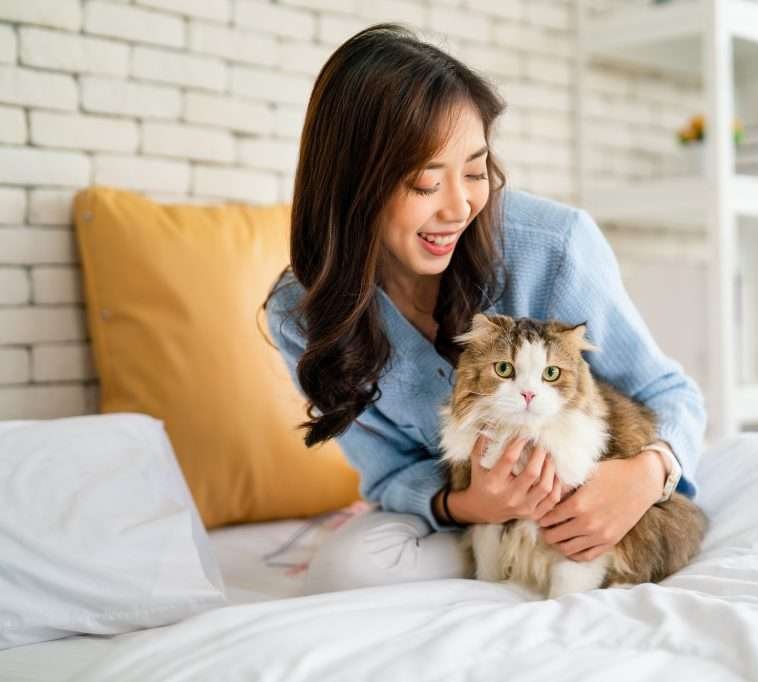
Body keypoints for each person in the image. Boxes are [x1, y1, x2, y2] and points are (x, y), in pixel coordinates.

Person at [262, 23, 707, 594]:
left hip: (596, 494)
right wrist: (465, 503)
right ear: (354, 186)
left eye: (475, 172)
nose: (459, 206)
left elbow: (670, 395)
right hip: (468, 522)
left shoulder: (555, 245)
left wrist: (644, 477)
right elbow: (389, 474)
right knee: (343, 571)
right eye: (425, 183)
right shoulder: (302, 312)